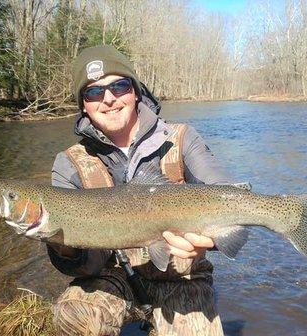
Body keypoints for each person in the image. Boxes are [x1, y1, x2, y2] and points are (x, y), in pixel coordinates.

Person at [47, 45, 231, 335]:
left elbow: (222, 193)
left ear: (135, 91)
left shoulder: (181, 139)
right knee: (73, 316)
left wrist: (210, 239)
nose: (108, 99)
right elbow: (86, 268)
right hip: (114, 278)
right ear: (84, 104)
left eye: (118, 86)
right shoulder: (69, 164)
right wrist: (63, 244)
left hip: (181, 278)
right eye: (94, 92)